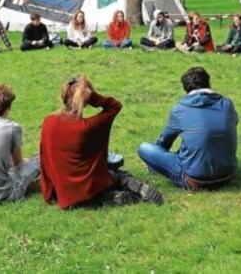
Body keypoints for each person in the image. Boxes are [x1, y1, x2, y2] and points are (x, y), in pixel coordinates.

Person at [40, 75, 163, 209]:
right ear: (85, 100)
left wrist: (49, 192)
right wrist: (93, 97)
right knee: (115, 172)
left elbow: (45, 158)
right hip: (89, 186)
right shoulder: (87, 127)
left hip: (63, 193)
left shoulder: (48, 122)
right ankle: (126, 183)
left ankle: (103, 198)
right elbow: (114, 106)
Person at [137, 67, 238, 190]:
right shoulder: (227, 104)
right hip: (227, 176)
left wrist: (153, 162)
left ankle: (156, 167)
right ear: (209, 84)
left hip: (194, 179)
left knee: (145, 148)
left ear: (185, 90)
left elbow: (164, 143)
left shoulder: (180, 108)